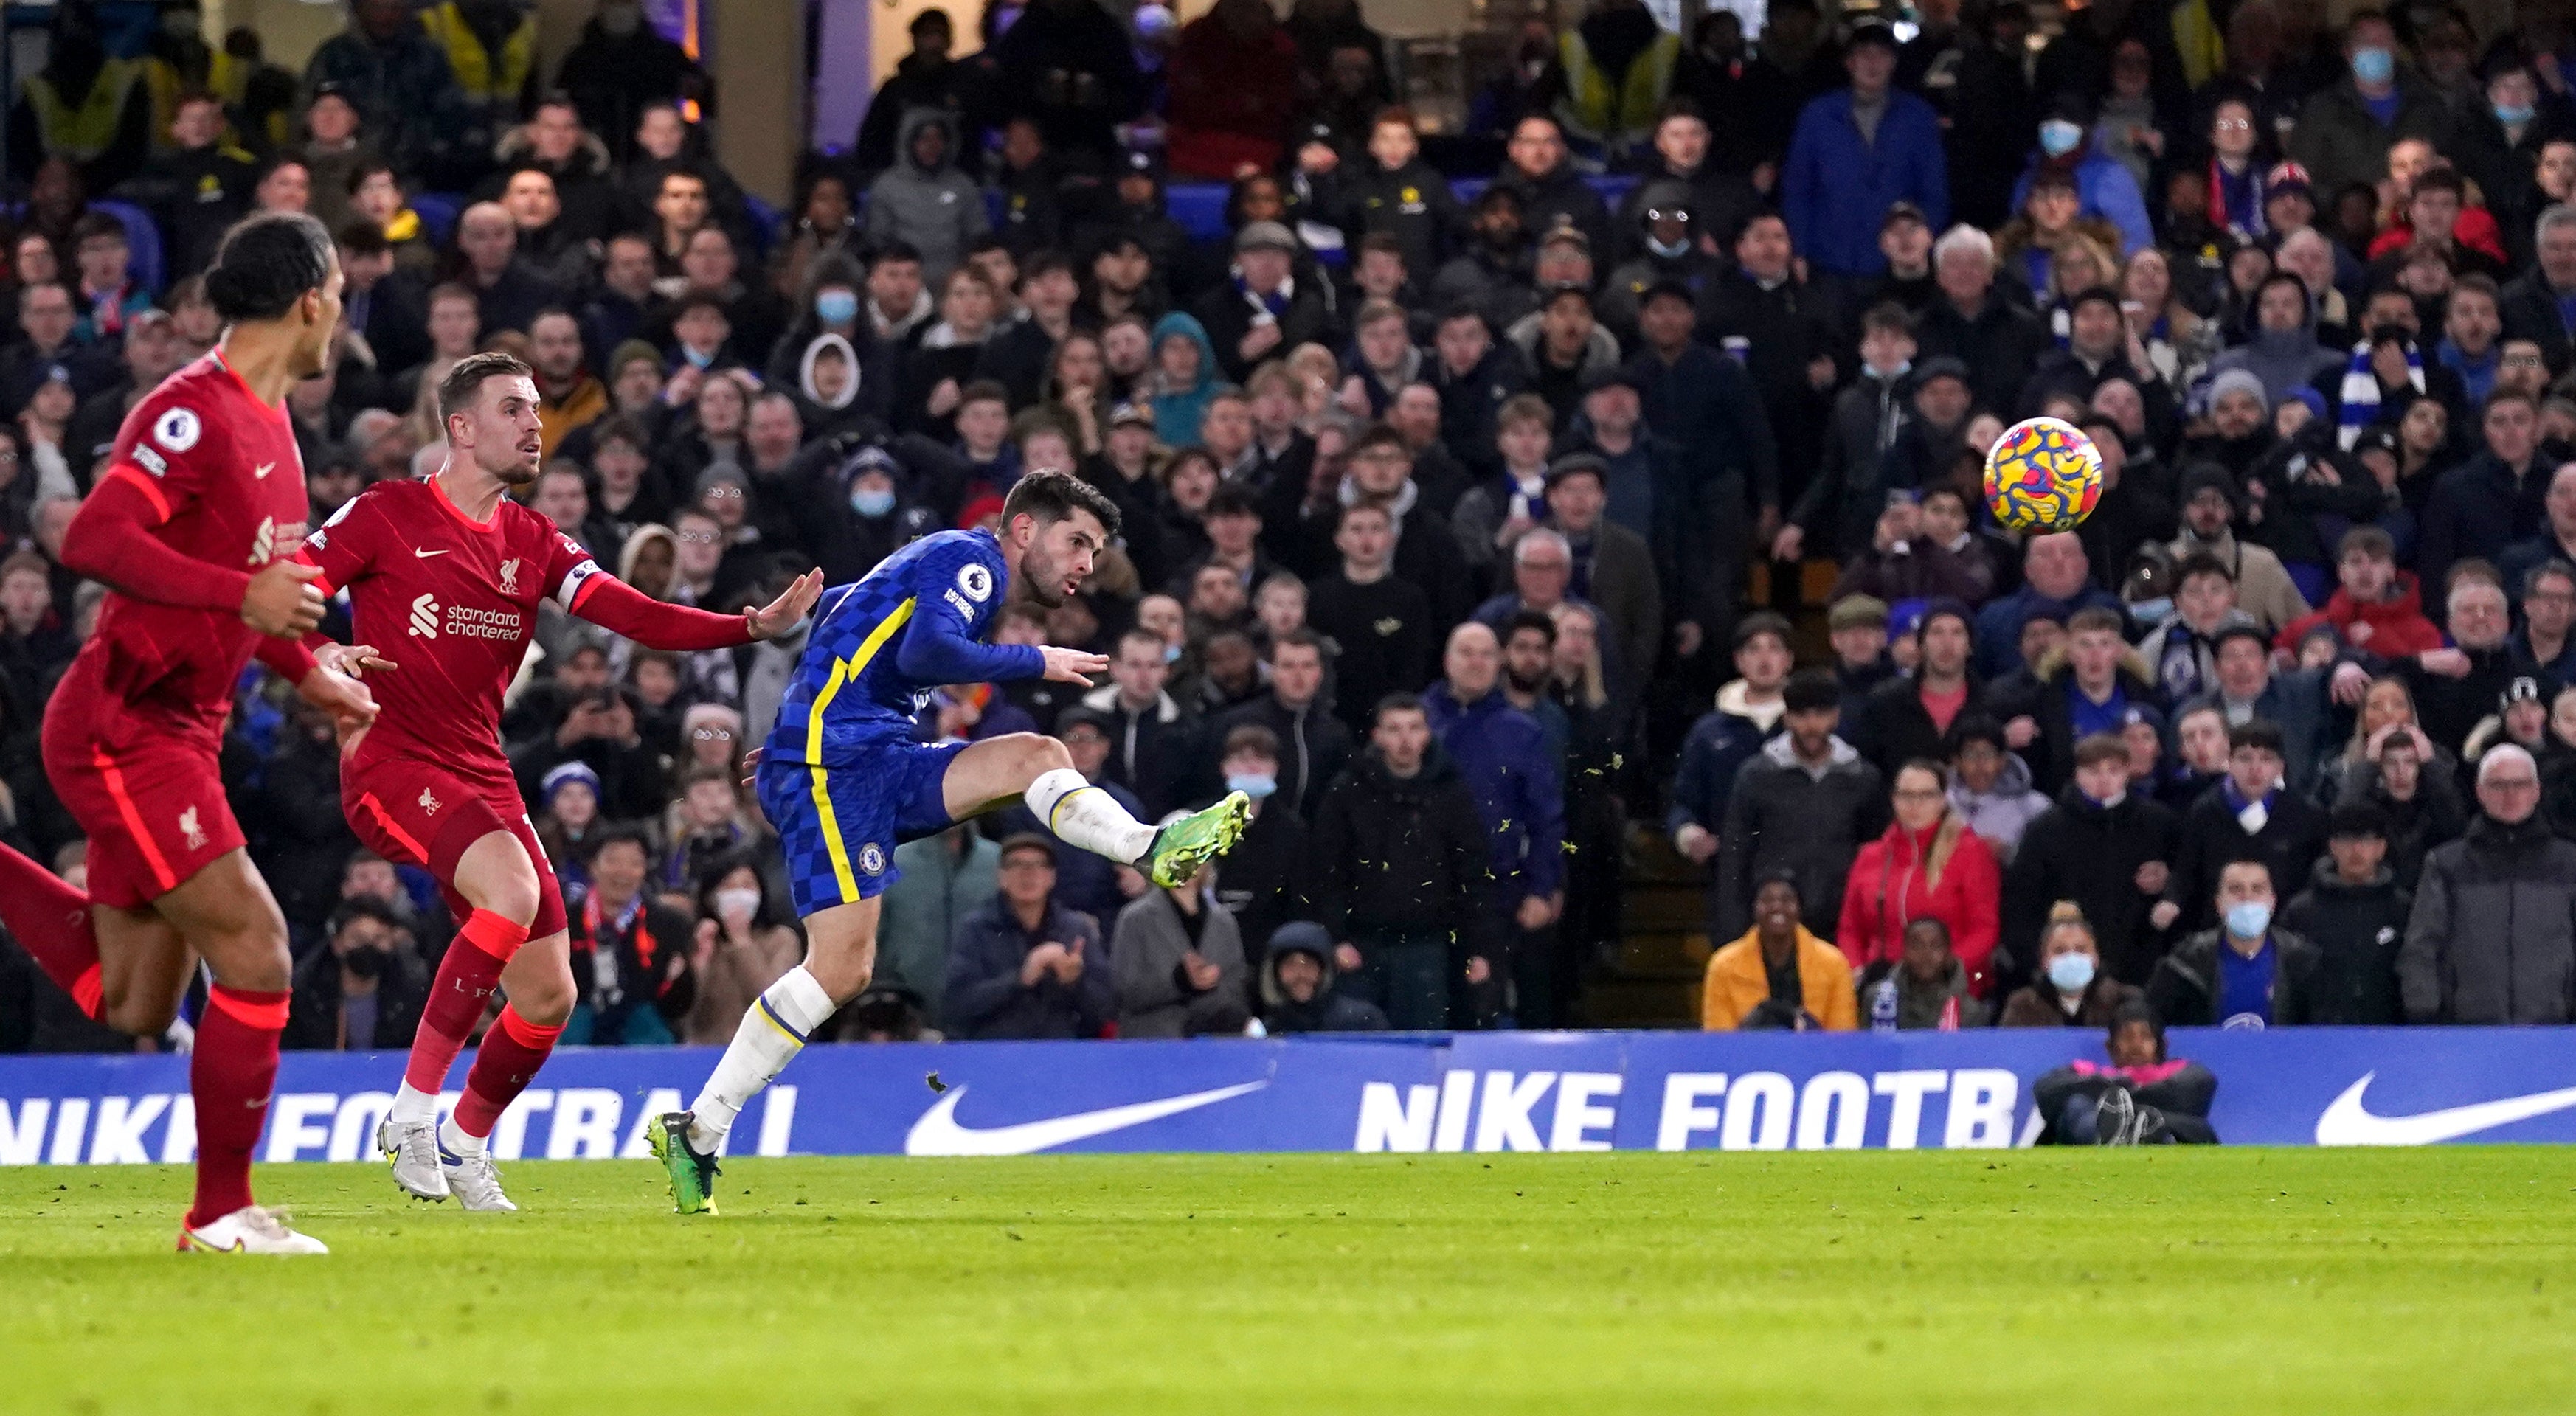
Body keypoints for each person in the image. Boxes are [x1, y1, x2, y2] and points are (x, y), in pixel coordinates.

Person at [305, 350, 823, 1212]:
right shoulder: (386, 514)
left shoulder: (533, 541)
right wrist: (320, 653)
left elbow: (634, 612)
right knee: (509, 894)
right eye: (513, 409)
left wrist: (748, 626)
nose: (534, 423)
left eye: (537, 409)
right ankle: (410, 1114)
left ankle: (466, 1144)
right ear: (460, 427)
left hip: (481, 771)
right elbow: (290, 592)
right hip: (390, 760)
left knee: (549, 992)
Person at [651, 471, 1253, 1213]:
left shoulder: (945, 563)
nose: (1087, 565)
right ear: (1025, 529)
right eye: (1077, 543)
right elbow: (925, 652)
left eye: (1095, 551)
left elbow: (844, 609)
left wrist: (792, 724)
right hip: (834, 769)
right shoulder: (974, 563)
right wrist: (1037, 661)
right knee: (842, 968)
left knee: (1037, 755)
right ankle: (700, 1127)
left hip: (868, 755)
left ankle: (1148, 846)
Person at [0, 212, 379, 1253]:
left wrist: (313, 672)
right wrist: (241, 595)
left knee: (133, 1001)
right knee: (258, 954)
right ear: (309, 299)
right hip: (128, 726)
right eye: (339, 291)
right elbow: (93, 537)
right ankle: (220, 1215)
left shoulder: (279, 426)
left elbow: (265, 601)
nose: (341, 312)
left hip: (180, 727)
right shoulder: (189, 412)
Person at [2401, 743, 2576, 1024]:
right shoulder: (2446, 865)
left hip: (2555, 1034)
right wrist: (2426, 1017)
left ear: (2536, 791)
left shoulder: (2569, 863)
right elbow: (2422, 947)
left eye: (2520, 784)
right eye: (2498, 785)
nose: (2510, 795)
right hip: (2467, 1034)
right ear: (2480, 792)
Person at [1714, 670, 1888, 945]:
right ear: (1787, 718)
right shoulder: (1756, 775)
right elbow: (1736, 854)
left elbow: (1876, 855)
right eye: (1802, 715)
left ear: (1835, 716)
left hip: (1842, 924)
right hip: (1772, 920)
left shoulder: (1862, 778)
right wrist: (1732, 930)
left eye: (1820, 714)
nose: (1811, 725)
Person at [1779, 21, 1947, 279]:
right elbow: (1798, 187)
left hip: (1897, 262)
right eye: (1863, 55)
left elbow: (1934, 189)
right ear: (1849, 63)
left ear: (1893, 63)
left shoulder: (1918, 116)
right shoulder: (1818, 115)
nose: (1873, 63)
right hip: (1828, 257)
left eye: (1882, 56)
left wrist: (1924, 238)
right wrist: (1798, 248)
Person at [1837, 759, 2001, 990]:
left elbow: (1984, 930)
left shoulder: (1970, 852)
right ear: (1894, 799)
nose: (1915, 804)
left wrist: (1944, 970)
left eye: (1926, 795)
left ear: (1943, 800)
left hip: (1950, 986)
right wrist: (1856, 968)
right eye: (1906, 795)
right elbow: (1850, 929)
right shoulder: (1870, 856)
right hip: (1881, 987)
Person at [2160, 720, 2330, 937]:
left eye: (2266, 759)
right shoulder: (2205, 811)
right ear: (2229, 762)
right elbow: (2186, 870)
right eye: (2245, 758)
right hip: (2218, 932)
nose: (2255, 769)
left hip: (2286, 933)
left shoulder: (2305, 813)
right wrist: (2172, 900)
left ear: (2280, 767)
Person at [943, 833, 1114, 1040]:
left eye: (1038, 865)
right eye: (1017, 865)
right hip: (994, 1053)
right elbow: (956, 1005)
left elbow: (1105, 1011)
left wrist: (1074, 982)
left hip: (1062, 1054)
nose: (1028, 874)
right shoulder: (976, 929)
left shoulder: (1075, 930)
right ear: (1001, 877)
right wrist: (1021, 979)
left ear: (1052, 877)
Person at [2276, 799, 2411, 1024]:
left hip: (2387, 1033)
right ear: (2333, 847)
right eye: (2347, 840)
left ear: (2381, 848)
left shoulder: (2402, 909)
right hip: (2317, 1033)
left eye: (2366, 841)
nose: (2356, 850)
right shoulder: (2301, 911)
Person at [2147, 855, 2321, 1026]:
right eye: (2236, 889)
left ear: (2272, 903)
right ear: (2219, 904)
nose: (2247, 898)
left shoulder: (2302, 961)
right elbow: (2152, 1022)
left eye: (2257, 889)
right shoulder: (2186, 962)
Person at [1112, 838, 1250, 1038]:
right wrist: (1179, 981)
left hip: (1214, 1048)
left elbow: (1237, 987)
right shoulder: (1135, 919)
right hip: (1153, 1047)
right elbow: (1125, 991)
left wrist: (1212, 987)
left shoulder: (1224, 922)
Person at [2032, 1000, 2220, 1143]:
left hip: (2160, 1132)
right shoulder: (2092, 1072)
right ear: (2110, 1046)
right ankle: (2116, 1134)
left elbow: (2197, 1091)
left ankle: (2124, 1128)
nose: (2136, 1045)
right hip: (2094, 1137)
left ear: (2161, 1044)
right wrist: (2117, 1086)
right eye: (2127, 1037)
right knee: (2076, 1105)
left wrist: (2124, 1103)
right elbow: (2046, 1090)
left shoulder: (2179, 1072)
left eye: (2145, 1037)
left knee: (2179, 1124)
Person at [1700, 870, 1858, 1030]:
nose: (1777, 907)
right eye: (1767, 900)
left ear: (1799, 907)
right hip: (1748, 1053)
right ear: (1753, 907)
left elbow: (1842, 1039)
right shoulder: (1723, 966)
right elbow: (1719, 1042)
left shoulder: (1833, 963)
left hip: (1814, 1053)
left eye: (1787, 899)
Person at [282, 897, 426, 1051]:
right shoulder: (306, 991)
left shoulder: (413, 989)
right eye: (359, 938)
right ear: (337, 944)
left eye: (379, 939)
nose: (369, 947)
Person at [1998, 901, 2144, 1026]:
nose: (2072, 957)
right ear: (2044, 961)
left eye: (2081, 950)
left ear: (2096, 959)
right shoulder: (2023, 1006)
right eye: (2060, 951)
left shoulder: (2125, 1001)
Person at [1855, 916, 1992, 1028]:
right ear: (1904, 951)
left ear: (1948, 954)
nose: (1926, 955)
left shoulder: (1970, 1011)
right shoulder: (1875, 999)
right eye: (1916, 946)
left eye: (1935, 946)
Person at [1258, 920, 1387, 1032]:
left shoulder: (1362, 1021)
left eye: (1308, 964)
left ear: (1324, 969)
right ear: (1275, 972)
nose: (1300, 974)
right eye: (1290, 964)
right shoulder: (1267, 1031)